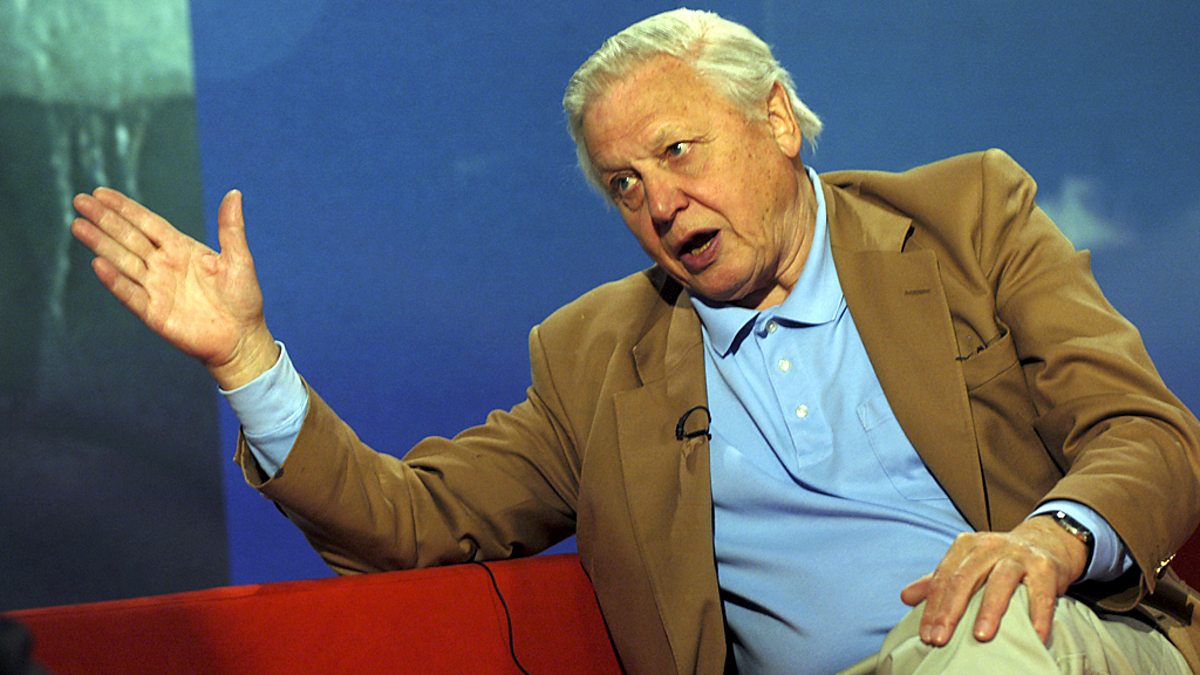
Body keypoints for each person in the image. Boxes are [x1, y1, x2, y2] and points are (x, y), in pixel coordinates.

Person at [69, 7, 1200, 673]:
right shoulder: (597, 358)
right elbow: (412, 520)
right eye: (622, 183)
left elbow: (1143, 432)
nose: (657, 202)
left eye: (676, 152)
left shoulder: (966, 219)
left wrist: (1048, 539)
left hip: (1049, 638)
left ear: (774, 118)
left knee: (984, 642)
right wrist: (248, 363)